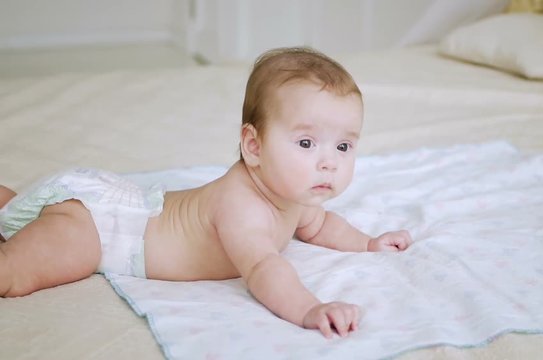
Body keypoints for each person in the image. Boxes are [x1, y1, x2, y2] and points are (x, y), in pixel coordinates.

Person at [0, 47, 413, 338]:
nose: (330, 162)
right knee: (17, 272)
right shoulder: (241, 205)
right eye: (306, 143)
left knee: (18, 213)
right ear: (254, 146)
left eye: (343, 146)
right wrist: (309, 308)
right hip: (102, 230)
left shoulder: (293, 196)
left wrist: (369, 244)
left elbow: (322, 226)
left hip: (116, 205)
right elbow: (264, 268)